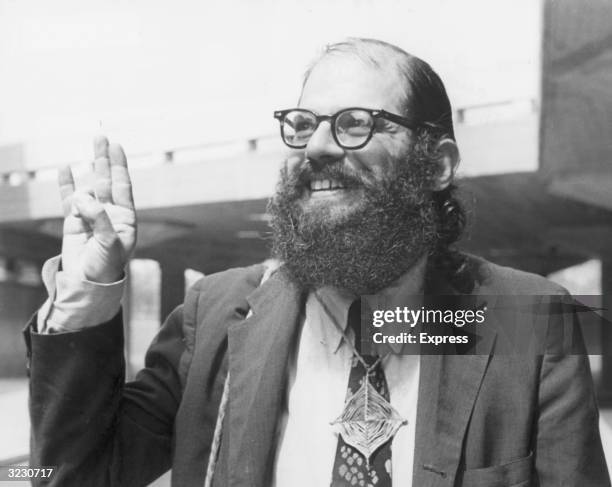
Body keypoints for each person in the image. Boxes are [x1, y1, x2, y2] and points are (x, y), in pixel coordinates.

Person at [24, 38, 609, 487]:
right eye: (303, 124)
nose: (317, 146)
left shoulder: (525, 319)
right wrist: (89, 296)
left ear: (436, 165)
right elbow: (78, 474)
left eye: (355, 123)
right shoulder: (219, 310)